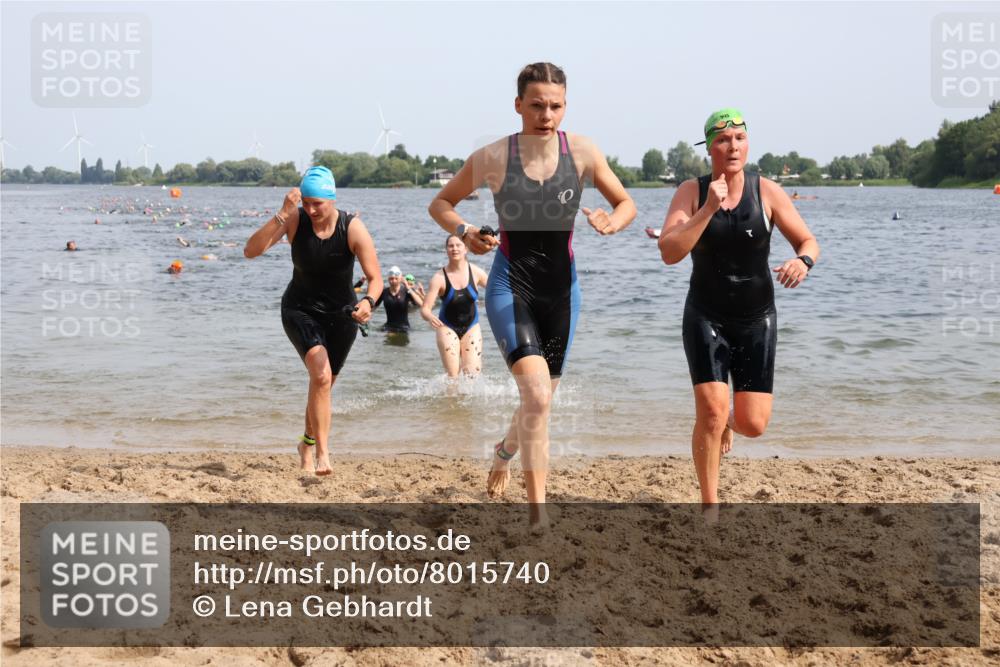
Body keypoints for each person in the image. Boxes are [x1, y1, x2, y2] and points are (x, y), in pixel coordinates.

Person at [428, 62, 637, 527]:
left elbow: (626, 203)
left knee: (537, 401)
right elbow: (440, 203)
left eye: (556, 106)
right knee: (539, 398)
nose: (547, 114)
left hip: (564, 294)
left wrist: (612, 221)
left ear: (566, 106)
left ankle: (502, 453)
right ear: (518, 104)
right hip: (510, 287)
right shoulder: (493, 157)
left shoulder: (582, 152)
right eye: (537, 105)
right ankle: (538, 513)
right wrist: (464, 228)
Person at [658, 108, 820, 508]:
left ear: (747, 144)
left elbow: (808, 241)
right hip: (705, 315)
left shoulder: (766, 191)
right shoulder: (691, 192)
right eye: (723, 139)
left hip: (756, 318)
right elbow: (669, 252)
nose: (732, 146)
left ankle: (731, 421)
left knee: (753, 424)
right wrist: (707, 209)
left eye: (739, 138)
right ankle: (710, 504)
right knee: (710, 411)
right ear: (709, 147)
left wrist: (803, 262)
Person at [244, 166, 383, 476]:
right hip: (300, 309)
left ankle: (306, 444)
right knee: (320, 377)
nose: (310, 209)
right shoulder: (295, 219)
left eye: (316, 203)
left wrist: (368, 302)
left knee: (323, 385)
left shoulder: (353, 227)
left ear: (331, 199)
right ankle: (323, 453)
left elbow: (376, 279)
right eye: (305, 202)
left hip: (342, 316)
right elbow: (250, 251)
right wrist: (282, 213)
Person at [420, 236, 489, 377]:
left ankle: (467, 399)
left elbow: (497, 290)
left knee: (472, 375)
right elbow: (425, 309)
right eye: (451, 246)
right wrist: (429, 317)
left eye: (458, 245)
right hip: (446, 327)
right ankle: (451, 399)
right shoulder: (439, 278)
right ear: (446, 250)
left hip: (472, 327)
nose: (455, 249)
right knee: (453, 376)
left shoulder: (476, 272)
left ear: (466, 249)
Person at [375, 265, 423, 334]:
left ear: (400, 279)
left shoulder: (406, 291)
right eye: (391, 279)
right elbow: (374, 307)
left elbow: (421, 304)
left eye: (396, 278)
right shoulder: (384, 292)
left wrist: (408, 288)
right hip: (388, 326)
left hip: (404, 327)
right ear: (388, 279)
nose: (393, 281)